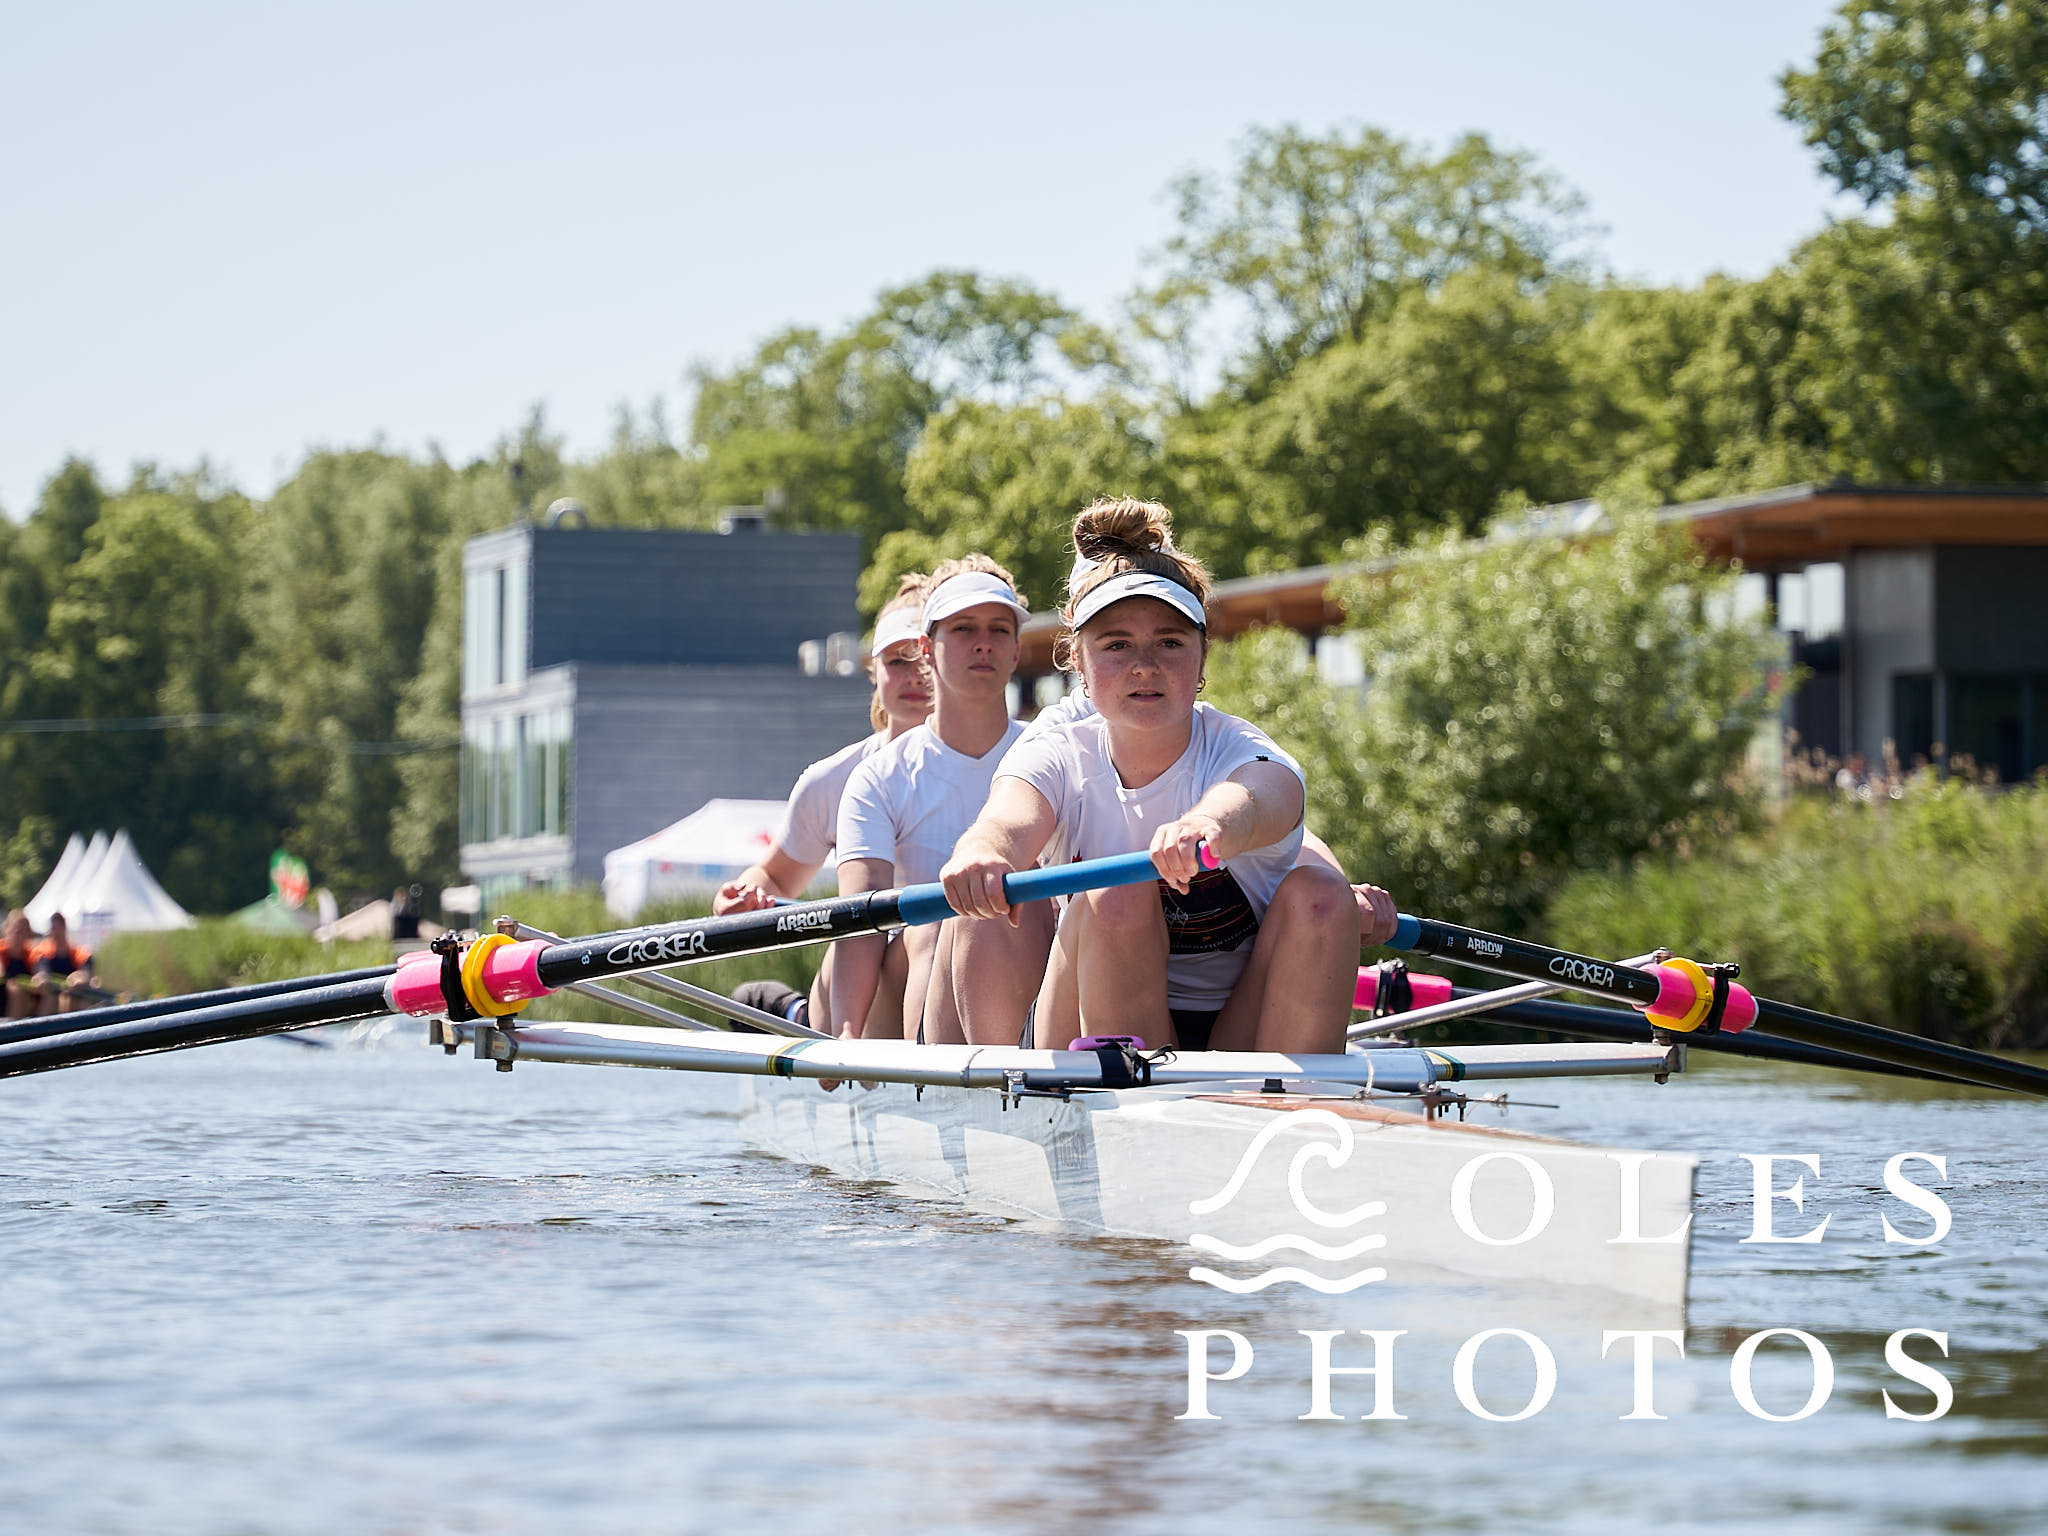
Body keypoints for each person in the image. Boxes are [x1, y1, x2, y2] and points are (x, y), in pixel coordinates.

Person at [940, 498, 1385, 1055]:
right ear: (1078, 663)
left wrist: (1208, 824)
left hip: (1241, 1026)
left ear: (1202, 659)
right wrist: (982, 852)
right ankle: (1100, 1093)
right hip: (1088, 1012)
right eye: (1116, 645)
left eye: (1169, 643)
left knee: (1320, 896)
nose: (1144, 666)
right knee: (1119, 890)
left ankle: (1294, 1099)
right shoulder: (1056, 748)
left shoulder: (1239, 748)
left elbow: (1264, 797)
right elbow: (1007, 819)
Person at [714, 574, 934, 1032]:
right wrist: (744, 896)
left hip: (956, 956)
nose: (914, 676)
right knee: (903, 931)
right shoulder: (832, 780)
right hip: (879, 967)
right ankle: (809, 1022)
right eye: (897, 661)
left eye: (924, 660)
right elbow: (776, 877)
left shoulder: (1015, 761)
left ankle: (798, 1017)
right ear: (873, 670)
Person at [831, 556, 1029, 1040]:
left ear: (1016, 652)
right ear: (927, 647)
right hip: (911, 970)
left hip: (1028, 959)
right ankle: (932, 1072)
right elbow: (859, 922)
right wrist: (843, 1041)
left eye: (999, 630)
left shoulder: (1054, 752)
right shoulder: (878, 777)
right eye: (963, 629)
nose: (983, 643)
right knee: (940, 920)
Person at [30, 912, 95, 1014]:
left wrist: (81, 977)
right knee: (51, 998)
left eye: (59, 928)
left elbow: (86, 971)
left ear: (64, 929)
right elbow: (42, 972)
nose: (56, 933)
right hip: (51, 997)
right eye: (54, 929)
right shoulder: (43, 953)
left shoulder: (78, 952)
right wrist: (41, 978)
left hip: (74, 995)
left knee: (78, 997)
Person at [3, 910, 37, 1020]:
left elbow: (39, 974)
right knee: (15, 989)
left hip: (25, 1002)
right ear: (6, 930)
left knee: (50, 995)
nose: (18, 936)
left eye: (23, 932)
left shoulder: (32, 954)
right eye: (16, 931)